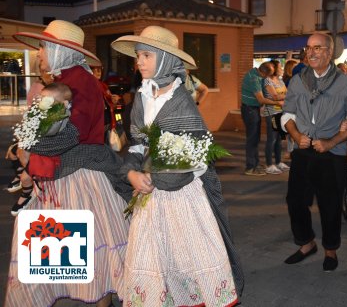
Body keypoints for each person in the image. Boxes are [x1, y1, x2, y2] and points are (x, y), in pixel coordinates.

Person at [111, 25, 241, 306]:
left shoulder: (182, 102)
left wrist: (153, 176)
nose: (139, 62)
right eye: (138, 56)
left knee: (188, 256)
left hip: (182, 197)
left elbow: (195, 156)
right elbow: (137, 143)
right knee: (154, 258)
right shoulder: (142, 97)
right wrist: (132, 172)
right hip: (150, 197)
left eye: (146, 55)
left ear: (166, 59)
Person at [6, 20, 128, 307]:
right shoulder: (70, 79)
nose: (39, 54)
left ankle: (98, 300)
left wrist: (27, 147)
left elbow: (71, 135)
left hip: (77, 174)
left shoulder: (78, 82)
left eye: (44, 47)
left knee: (77, 244)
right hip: (69, 173)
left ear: (59, 50)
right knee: (88, 244)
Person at [281, 32, 347, 272]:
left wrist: (331, 142)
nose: (312, 52)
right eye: (309, 48)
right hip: (303, 151)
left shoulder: (346, 83)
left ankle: (330, 250)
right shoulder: (298, 80)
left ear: (329, 53)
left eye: (317, 48)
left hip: (331, 154)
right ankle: (306, 243)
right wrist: (297, 136)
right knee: (295, 201)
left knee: (330, 205)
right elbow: (287, 115)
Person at [240, 62, 282, 176]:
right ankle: (250, 167)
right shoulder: (254, 79)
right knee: (252, 139)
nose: (268, 77)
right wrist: (277, 102)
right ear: (264, 73)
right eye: (268, 75)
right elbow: (261, 100)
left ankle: (255, 164)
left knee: (255, 138)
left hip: (251, 109)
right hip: (250, 110)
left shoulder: (255, 73)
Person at [262, 59, 289, 174]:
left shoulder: (280, 81)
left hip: (281, 113)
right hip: (272, 113)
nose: (281, 69)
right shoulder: (267, 81)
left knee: (279, 139)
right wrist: (284, 96)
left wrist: (283, 96)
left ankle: (278, 162)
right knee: (272, 139)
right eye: (279, 68)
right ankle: (269, 164)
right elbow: (275, 97)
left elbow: (287, 93)